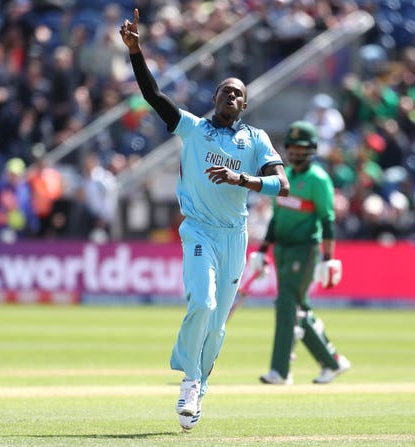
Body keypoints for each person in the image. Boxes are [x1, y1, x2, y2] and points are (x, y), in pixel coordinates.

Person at [120, 9, 290, 431]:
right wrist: (136, 53)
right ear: (214, 98)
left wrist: (242, 179)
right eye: (224, 92)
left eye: (238, 94)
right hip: (198, 229)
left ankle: (203, 377)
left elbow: (282, 186)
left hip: (235, 236)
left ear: (245, 105)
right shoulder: (193, 129)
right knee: (203, 301)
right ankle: (190, 381)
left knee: (217, 327)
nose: (230, 97)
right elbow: (153, 96)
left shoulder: (256, 140)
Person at [248, 120, 350, 386]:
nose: (294, 153)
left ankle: (280, 371)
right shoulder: (285, 177)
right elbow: (276, 217)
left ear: (312, 150)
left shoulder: (318, 179)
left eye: (300, 148)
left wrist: (328, 258)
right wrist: (262, 251)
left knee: (286, 305)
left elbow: (327, 220)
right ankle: (332, 362)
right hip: (281, 249)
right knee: (299, 309)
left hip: (304, 250)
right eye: (291, 147)